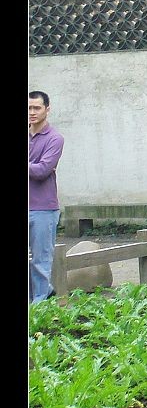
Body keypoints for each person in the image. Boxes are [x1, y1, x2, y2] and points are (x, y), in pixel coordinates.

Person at [29, 90, 65, 304]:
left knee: (41, 260)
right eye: (29, 108)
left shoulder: (55, 139)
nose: (32, 112)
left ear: (47, 109)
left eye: (37, 108)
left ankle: (39, 305)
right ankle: (45, 292)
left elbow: (43, 170)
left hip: (43, 208)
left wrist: (36, 167)